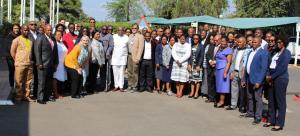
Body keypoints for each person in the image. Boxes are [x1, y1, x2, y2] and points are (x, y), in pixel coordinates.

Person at [264, 37, 291, 131]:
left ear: (284, 43)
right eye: (277, 42)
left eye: (279, 42)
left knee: (280, 102)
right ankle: (271, 120)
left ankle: (279, 123)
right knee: (271, 100)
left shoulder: (286, 53)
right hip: (271, 78)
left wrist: (272, 76)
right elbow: (269, 64)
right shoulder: (275, 51)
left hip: (280, 79)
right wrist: (268, 75)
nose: (277, 43)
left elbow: (282, 68)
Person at [241, 37, 269, 125]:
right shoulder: (250, 52)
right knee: (249, 97)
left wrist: (259, 81)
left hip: (257, 80)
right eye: (252, 42)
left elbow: (264, 69)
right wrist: (244, 78)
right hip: (249, 78)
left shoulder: (263, 53)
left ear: (260, 43)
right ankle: (250, 112)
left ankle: (258, 117)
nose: (253, 43)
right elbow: (247, 66)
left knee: (257, 99)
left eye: (255, 42)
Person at [34, 25, 58, 104]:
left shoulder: (53, 39)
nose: (50, 32)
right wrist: (39, 63)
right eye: (48, 30)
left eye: (51, 30)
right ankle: (40, 98)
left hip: (51, 64)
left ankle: (47, 96)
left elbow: (55, 52)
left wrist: (55, 63)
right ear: (44, 30)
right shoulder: (40, 38)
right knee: (42, 82)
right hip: (43, 64)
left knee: (49, 82)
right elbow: (37, 52)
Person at [10, 24, 34, 103]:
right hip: (20, 64)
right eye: (24, 30)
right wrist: (17, 60)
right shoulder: (17, 40)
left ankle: (26, 96)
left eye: (27, 30)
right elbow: (12, 52)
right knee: (19, 81)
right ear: (21, 30)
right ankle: (18, 97)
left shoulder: (30, 41)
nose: (26, 31)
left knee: (28, 82)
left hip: (29, 64)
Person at [227, 36, 247, 110]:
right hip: (234, 71)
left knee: (242, 91)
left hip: (242, 73)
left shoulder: (247, 51)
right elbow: (232, 61)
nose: (238, 43)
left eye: (240, 42)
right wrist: (231, 72)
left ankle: (241, 105)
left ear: (245, 43)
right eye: (238, 42)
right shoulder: (235, 50)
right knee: (234, 89)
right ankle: (233, 104)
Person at [215, 36, 232, 108]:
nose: (222, 42)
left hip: (224, 69)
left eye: (224, 41)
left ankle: (222, 101)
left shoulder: (229, 50)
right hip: (218, 69)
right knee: (219, 85)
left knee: (223, 86)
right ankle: (219, 100)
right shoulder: (220, 49)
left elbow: (228, 62)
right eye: (221, 41)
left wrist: (225, 72)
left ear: (227, 42)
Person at [127, 23, 144, 92]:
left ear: (137, 29)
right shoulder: (130, 36)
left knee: (135, 71)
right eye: (133, 28)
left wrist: (138, 58)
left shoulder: (140, 36)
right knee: (129, 71)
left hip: (135, 56)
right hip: (129, 55)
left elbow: (141, 48)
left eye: (135, 28)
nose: (134, 29)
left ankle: (135, 86)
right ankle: (130, 84)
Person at [206, 34, 221, 107]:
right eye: (214, 40)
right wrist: (210, 61)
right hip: (210, 67)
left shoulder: (222, 47)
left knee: (216, 84)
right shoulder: (211, 46)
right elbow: (207, 54)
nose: (215, 41)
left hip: (217, 68)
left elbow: (222, 58)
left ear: (220, 40)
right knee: (210, 83)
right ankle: (210, 97)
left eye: (217, 40)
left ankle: (216, 99)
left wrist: (214, 62)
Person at [111, 27, 128, 92]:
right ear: (117, 31)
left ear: (123, 31)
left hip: (123, 58)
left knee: (122, 73)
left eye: (122, 30)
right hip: (115, 58)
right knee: (115, 73)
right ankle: (116, 86)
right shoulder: (114, 36)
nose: (120, 31)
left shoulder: (126, 37)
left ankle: (121, 86)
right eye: (119, 30)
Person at [198, 35, 215, 100]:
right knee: (205, 80)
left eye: (212, 39)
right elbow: (204, 56)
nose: (211, 41)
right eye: (210, 39)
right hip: (205, 65)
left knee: (210, 81)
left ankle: (209, 94)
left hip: (212, 66)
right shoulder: (207, 46)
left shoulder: (215, 46)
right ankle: (205, 93)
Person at [53, 30, 68, 99]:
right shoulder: (54, 43)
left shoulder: (61, 43)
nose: (60, 36)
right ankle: (55, 94)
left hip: (63, 64)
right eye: (58, 34)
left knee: (60, 78)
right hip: (57, 63)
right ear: (54, 35)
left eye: (61, 34)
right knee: (55, 78)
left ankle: (59, 92)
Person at [5, 24, 20, 88]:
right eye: (15, 28)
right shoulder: (9, 36)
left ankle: (18, 86)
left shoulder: (20, 36)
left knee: (18, 72)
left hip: (18, 57)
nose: (16, 30)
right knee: (12, 71)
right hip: (10, 57)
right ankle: (12, 86)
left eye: (17, 28)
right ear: (12, 29)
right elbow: (10, 48)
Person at [188, 34, 203, 99]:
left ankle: (196, 93)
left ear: (199, 39)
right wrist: (189, 64)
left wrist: (199, 65)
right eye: (194, 38)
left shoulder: (201, 46)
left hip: (197, 66)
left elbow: (201, 57)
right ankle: (192, 92)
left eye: (196, 38)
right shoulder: (191, 46)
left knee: (197, 80)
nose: (195, 40)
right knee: (192, 80)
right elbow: (189, 56)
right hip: (192, 65)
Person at [100, 25, 114, 91]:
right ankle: (101, 85)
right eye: (103, 29)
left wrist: (108, 52)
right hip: (99, 57)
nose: (104, 30)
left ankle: (107, 85)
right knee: (101, 72)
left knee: (107, 72)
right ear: (101, 29)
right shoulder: (98, 35)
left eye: (106, 29)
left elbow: (111, 46)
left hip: (106, 56)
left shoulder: (110, 36)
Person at [28, 21, 39, 99]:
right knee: (29, 78)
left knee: (37, 77)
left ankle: (35, 94)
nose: (34, 26)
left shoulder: (38, 34)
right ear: (29, 26)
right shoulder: (27, 34)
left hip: (38, 59)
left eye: (35, 24)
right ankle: (28, 95)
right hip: (31, 59)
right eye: (31, 24)